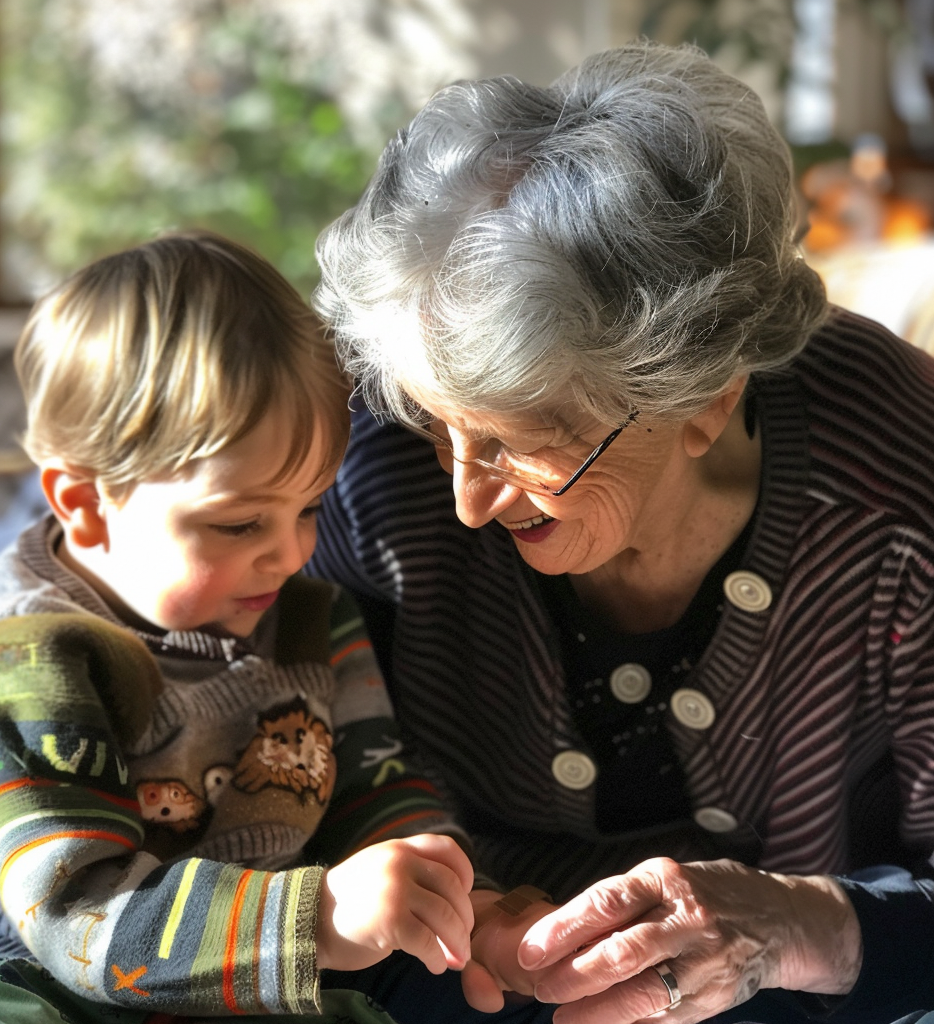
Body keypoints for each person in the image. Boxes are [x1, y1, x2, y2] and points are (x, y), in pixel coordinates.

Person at [308, 40, 934, 1024]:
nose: (467, 499)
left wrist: (794, 925)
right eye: (439, 426)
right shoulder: (369, 461)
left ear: (704, 400)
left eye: (526, 443)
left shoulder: (900, 488)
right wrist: (428, 896)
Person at [0, 231, 550, 1024]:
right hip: (40, 974)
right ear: (84, 505)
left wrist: (453, 905)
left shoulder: (313, 619)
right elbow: (75, 914)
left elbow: (368, 789)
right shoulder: (30, 661)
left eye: (309, 508)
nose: (289, 553)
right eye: (241, 523)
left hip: (263, 963)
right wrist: (318, 921)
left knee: (477, 1000)